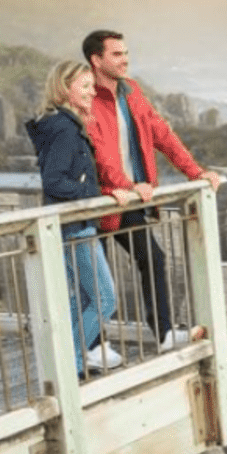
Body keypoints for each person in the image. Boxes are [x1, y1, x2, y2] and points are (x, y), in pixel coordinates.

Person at [82, 28, 221, 351]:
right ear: (96, 60)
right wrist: (129, 185)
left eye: (126, 53)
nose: (125, 59)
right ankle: (92, 346)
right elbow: (98, 153)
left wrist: (195, 172)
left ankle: (164, 334)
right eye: (116, 54)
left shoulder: (130, 91)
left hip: (127, 200)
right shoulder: (88, 95)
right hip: (95, 201)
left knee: (154, 258)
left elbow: (161, 133)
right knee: (93, 280)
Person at [25, 61, 139, 376]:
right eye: (85, 86)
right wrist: (96, 195)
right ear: (64, 88)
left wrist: (103, 192)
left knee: (82, 299)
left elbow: (72, 176)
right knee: (104, 298)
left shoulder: (62, 124)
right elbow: (55, 181)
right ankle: (69, 362)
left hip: (71, 225)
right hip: (75, 227)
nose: (92, 92)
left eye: (92, 86)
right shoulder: (63, 128)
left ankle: (68, 363)